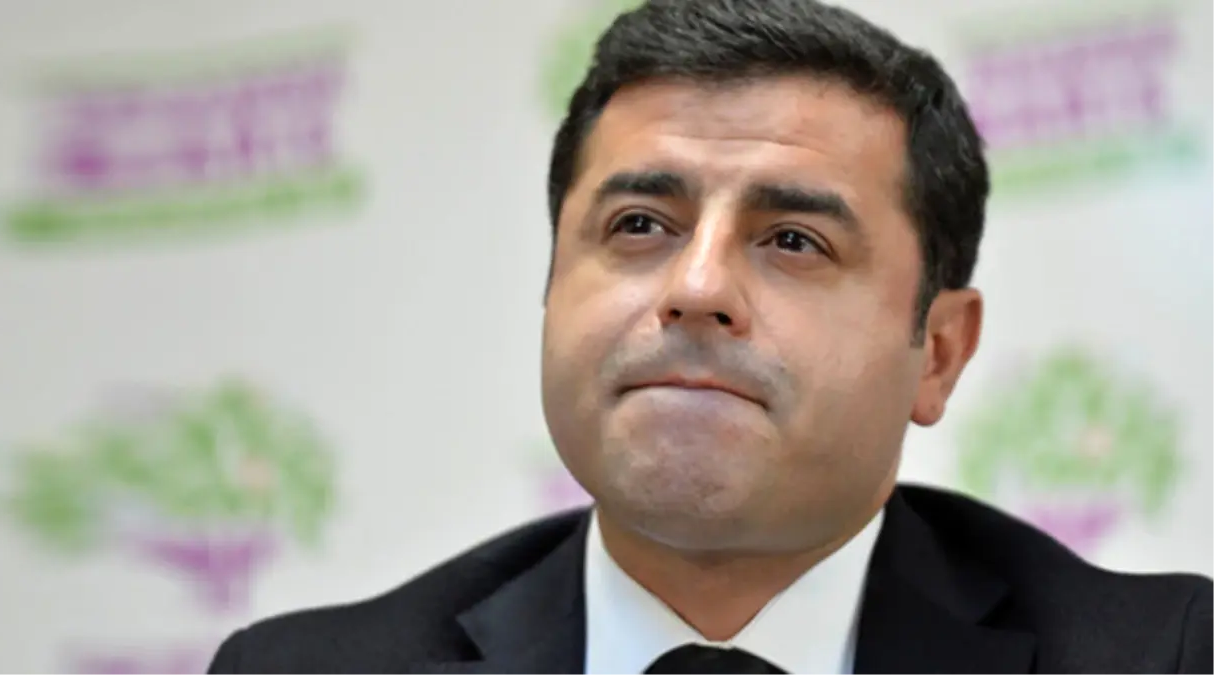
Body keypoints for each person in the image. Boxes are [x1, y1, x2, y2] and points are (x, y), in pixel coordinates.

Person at [206, 0, 1214, 673]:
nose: (695, 290)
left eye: (793, 240)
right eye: (640, 225)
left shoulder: (1163, 657)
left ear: (939, 352)